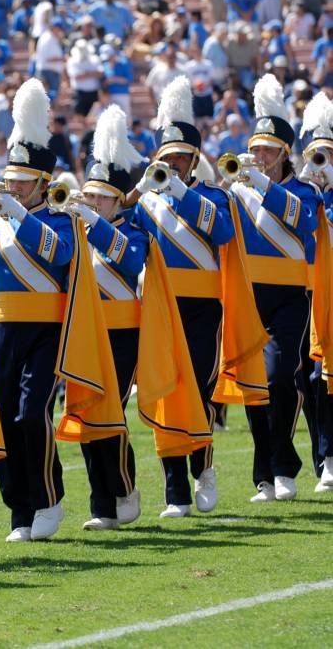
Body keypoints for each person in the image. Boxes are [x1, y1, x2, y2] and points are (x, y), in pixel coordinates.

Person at [0, 78, 74, 542]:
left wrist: (17, 213)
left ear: (42, 185)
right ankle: (19, 511)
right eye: (9, 183)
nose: (11, 190)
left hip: (46, 329)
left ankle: (49, 498)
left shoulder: (57, 219)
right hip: (4, 328)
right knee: (2, 418)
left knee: (32, 416)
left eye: (21, 184)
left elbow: (59, 254)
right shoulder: (1, 222)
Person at [132, 77, 236, 518]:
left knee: (199, 387)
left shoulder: (214, 197)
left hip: (202, 308)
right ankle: (175, 489)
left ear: (195, 161)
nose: (172, 165)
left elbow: (224, 232)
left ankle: (203, 469)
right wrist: (135, 191)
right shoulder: (146, 203)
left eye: (180, 158)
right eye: (166, 158)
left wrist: (178, 191)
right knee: (164, 390)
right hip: (160, 307)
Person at [58, 105, 146, 530]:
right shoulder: (77, 229)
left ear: (117, 200)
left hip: (124, 331)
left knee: (111, 412)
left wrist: (93, 222)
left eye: (99, 198)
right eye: (88, 196)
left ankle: (125, 488)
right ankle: (102, 505)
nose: (90, 202)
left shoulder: (131, 230)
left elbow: (130, 261)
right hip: (84, 332)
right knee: (85, 411)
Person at [232, 74, 318, 502]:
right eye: (255, 150)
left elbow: (302, 221)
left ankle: (284, 467)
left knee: (280, 377)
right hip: (250, 297)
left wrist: (261, 185)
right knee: (254, 384)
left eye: (267, 150)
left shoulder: (305, 191)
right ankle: (265, 474)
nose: (259, 157)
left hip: (290, 297)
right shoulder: (238, 192)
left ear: (285, 153)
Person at [297, 91, 333, 495]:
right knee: (312, 380)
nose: (320, 165)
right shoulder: (305, 196)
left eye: (326, 156)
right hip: (307, 293)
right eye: (315, 156)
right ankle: (324, 457)